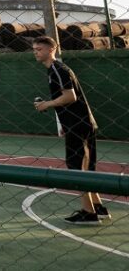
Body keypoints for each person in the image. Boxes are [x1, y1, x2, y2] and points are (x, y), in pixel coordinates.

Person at [32, 36, 108, 225]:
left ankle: (88, 213)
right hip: (80, 123)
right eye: (34, 49)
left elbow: (70, 96)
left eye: (39, 49)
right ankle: (98, 207)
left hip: (78, 124)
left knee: (76, 167)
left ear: (52, 49)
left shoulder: (58, 69)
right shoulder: (54, 71)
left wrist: (45, 104)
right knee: (86, 167)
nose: (35, 52)